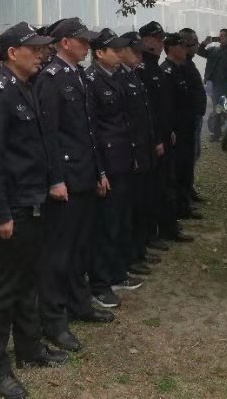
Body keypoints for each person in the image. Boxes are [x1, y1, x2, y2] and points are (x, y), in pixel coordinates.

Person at [0, 22, 68, 399]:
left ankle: (29, 348)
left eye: (44, 48)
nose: (42, 54)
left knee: (28, 280)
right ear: (13, 53)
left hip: (34, 201)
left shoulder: (27, 87)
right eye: (35, 49)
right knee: (3, 288)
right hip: (13, 205)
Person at [36, 17, 112, 354]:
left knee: (80, 247)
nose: (87, 47)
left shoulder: (77, 74)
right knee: (58, 253)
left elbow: (89, 131)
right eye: (82, 41)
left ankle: (78, 304)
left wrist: (99, 171)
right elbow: (49, 135)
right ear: (65, 42)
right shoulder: (50, 78)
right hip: (65, 179)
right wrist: (55, 178)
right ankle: (53, 319)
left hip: (84, 174)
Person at [86, 28, 144, 303]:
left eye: (122, 49)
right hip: (107, 162)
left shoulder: (116, 76)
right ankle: (101, 281)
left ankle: (117, 271)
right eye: (115, 50)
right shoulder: (92, 80)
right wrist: (100, 170)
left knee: (120, 219)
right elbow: (93, 130)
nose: (121, 54)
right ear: (99, 53)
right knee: (105, 224)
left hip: (122, 158)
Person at [138, 22, 192, 245]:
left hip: (165, 135)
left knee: (167, 182)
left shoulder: (155, 68)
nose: (161, 43)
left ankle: (168, 227)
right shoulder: (143, 69)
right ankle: (156, 231)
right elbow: (148, 111)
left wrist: (169, 131)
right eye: (157, 39)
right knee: (157, 187)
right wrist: (157, 137)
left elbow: (164, 107)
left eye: (162, 39)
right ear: (146, 40)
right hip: (154, 139)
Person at [117, 32, 161, 271]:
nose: (139, 56)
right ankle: (131, 255)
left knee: (143, 201)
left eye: (140, 52)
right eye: (134, 51)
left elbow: (146, 114)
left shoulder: (134, 74)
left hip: (143, 149)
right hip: (130, 152)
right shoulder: (118, 78)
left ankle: (140, 249)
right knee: (131, 207)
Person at [161, 33, 200, 221]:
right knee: (176, 171)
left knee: (186, 168)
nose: (186, 49)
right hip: (176, 130)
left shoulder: (181, 68)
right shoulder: (166, 71)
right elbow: (167, 106)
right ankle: (177, 208)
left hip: (187, 127)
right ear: (171, 48)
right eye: (182, 46)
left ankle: (184, 205)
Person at [179, 27, 208, 207]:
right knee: (189, 157)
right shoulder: (181, 65)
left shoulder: (189, 63)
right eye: (195, 42)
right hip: (189, 118)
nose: (197, 45)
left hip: (196, 116)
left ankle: (189, 188)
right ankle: (185, 193)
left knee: (194, 154)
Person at [199, 28, 227, 105]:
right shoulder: (213, 50)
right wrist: (204, 43)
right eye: (220, 35)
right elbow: (200, 52)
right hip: (216, 85)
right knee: (217, 107)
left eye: (224, 36)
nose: (221, 37)